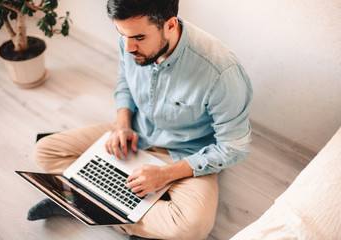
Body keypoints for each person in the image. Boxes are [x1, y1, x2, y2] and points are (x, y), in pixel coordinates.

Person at [27, 0, 253, 239]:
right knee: (45, 151)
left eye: (138, 38)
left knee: (192, 226)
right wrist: (123, 125)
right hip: (138, 133)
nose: (128, 47)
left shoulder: (222, 72)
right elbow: (125, 81)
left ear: (170, 25)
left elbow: (233, 148)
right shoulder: (131, 37)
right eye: (122, 35)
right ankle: (120, 213)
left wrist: (165, 174)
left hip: (186, 152)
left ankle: (78, 199)